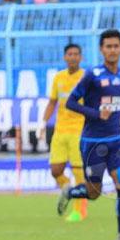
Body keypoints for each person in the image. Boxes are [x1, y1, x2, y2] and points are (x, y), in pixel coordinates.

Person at [56, 29, 120, 240]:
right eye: (108, 46)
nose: (112, 50)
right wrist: (96, 114)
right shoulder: (92, 75)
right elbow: (71, 102)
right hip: (92, 143)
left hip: (115, 142)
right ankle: (70, 191)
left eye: (116, 46)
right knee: (93, 193)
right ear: (101, 49)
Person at [38, 43, 88, 222]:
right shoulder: (58, 78)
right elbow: (52, 102)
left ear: (80, 57)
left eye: (76, 54)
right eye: (69, 54)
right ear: (64, 57)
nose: (73, 57)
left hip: (79, 130)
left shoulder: (86, 77)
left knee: (79, 172)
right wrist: (43, 123)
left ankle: (79, 211)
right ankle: (67, 189)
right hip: (60, 130)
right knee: (55, 170)